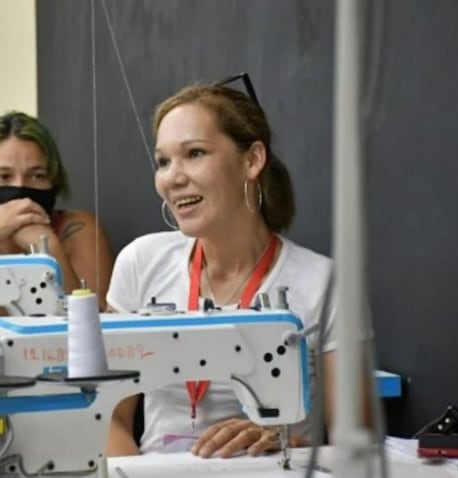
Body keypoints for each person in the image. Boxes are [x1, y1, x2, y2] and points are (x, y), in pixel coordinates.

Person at [105, 82, 350, 458]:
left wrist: (288, 444)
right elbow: (110, 417)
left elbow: (356, 444)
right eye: (163, 161)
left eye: (194, 153)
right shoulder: (141, 263)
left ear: (252, 160)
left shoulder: (324, 284)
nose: (172, 177)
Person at [0, 111, 114, 310]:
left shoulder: (80, 229)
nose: (21, 188)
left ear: (53, 180)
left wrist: (49, 250)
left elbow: (93, 323)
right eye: (3, 177)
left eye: (37, 175)